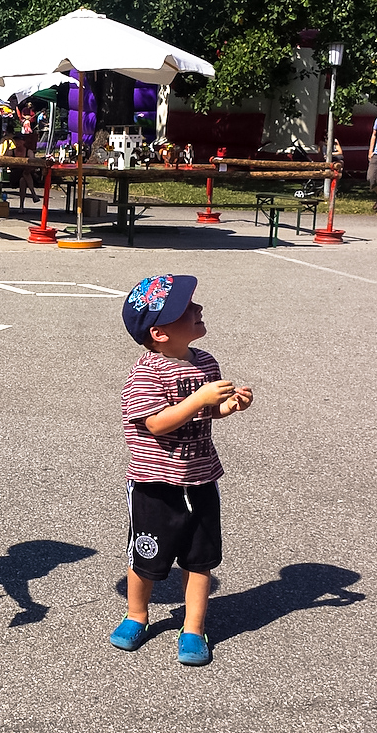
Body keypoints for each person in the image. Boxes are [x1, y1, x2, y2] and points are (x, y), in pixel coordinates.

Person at [111, 274, 253, 666]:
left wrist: (229, 405)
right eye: (186, 309)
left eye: (193, 303)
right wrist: (199, 399)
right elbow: (157, 423)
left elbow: (209, 411)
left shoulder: (204, 362)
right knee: (146, 557)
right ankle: (136, 615)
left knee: (200, 559)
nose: (198, 309)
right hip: (155, 484)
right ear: (159, 333)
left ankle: (193, 628)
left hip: (201, 476)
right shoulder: (147, 372)